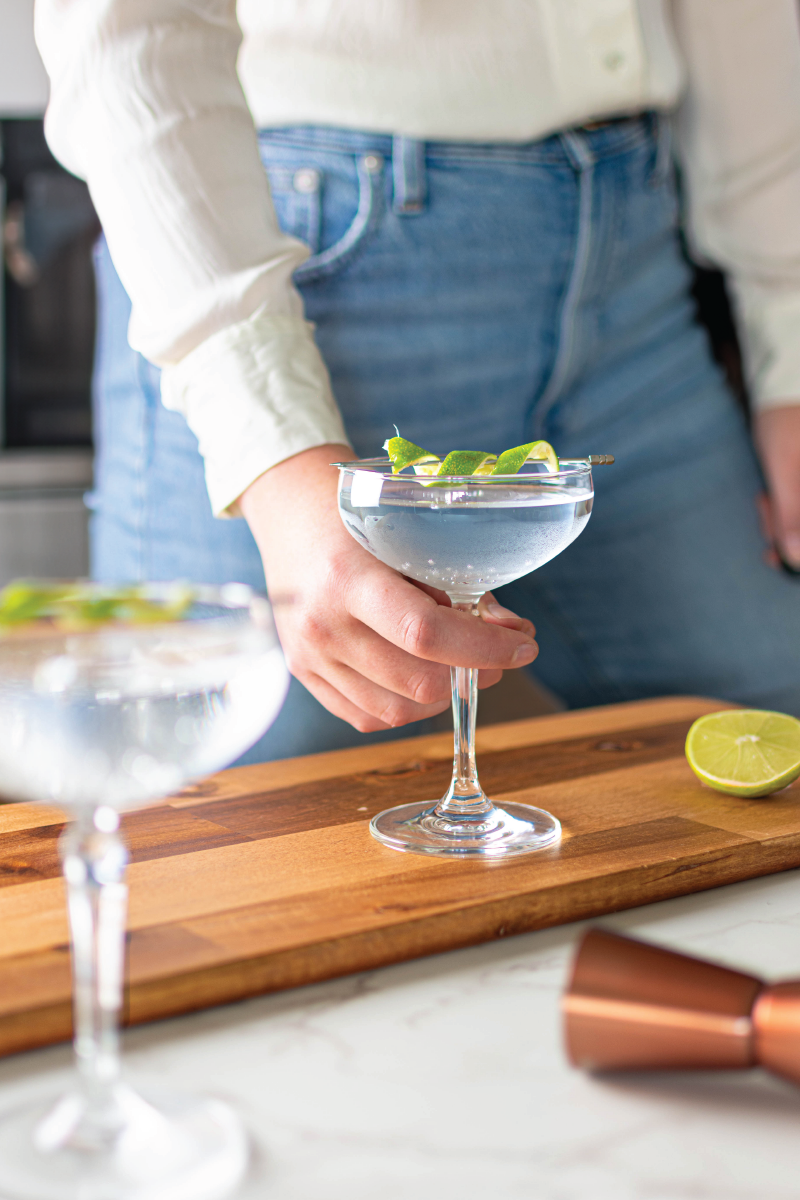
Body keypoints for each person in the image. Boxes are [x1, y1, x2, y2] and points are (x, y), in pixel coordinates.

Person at [35, 1, 800, 762]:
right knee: (243, 817)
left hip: (635, 260)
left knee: (773, 726)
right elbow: (125, 26)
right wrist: (275, 454)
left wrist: (789, 345)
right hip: (295, 266)